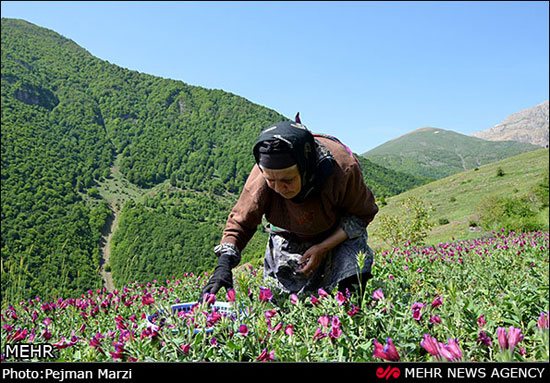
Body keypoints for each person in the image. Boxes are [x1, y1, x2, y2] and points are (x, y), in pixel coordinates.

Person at [200, 115, 378, 299]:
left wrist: (323, 247)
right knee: (284, 300)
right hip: (290, 234)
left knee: (352, 281)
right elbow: (241, 222)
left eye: (287, 180)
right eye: (271, 180)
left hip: (337, 233)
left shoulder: (342, 169)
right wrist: (223, 266)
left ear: (305, 167)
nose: (278, 188)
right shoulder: (263, 175)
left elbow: (361, 215)